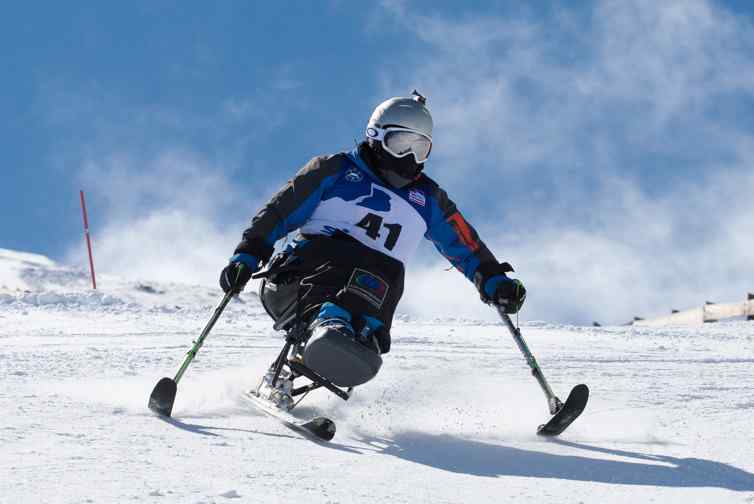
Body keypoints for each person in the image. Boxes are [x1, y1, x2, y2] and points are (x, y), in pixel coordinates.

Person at [219, 91, 526, 409]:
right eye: (400, 144)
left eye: (420, 148)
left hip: (366, 303)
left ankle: (360, 337)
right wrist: (247, 255)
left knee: (388, 270)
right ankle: (328, 323)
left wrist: (494, 280)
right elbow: (279, 211)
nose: (409, 157)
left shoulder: (428, 199)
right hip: (295, 284)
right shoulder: (335, 170)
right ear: (376, 137)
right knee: (355, 255)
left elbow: (467, 246)